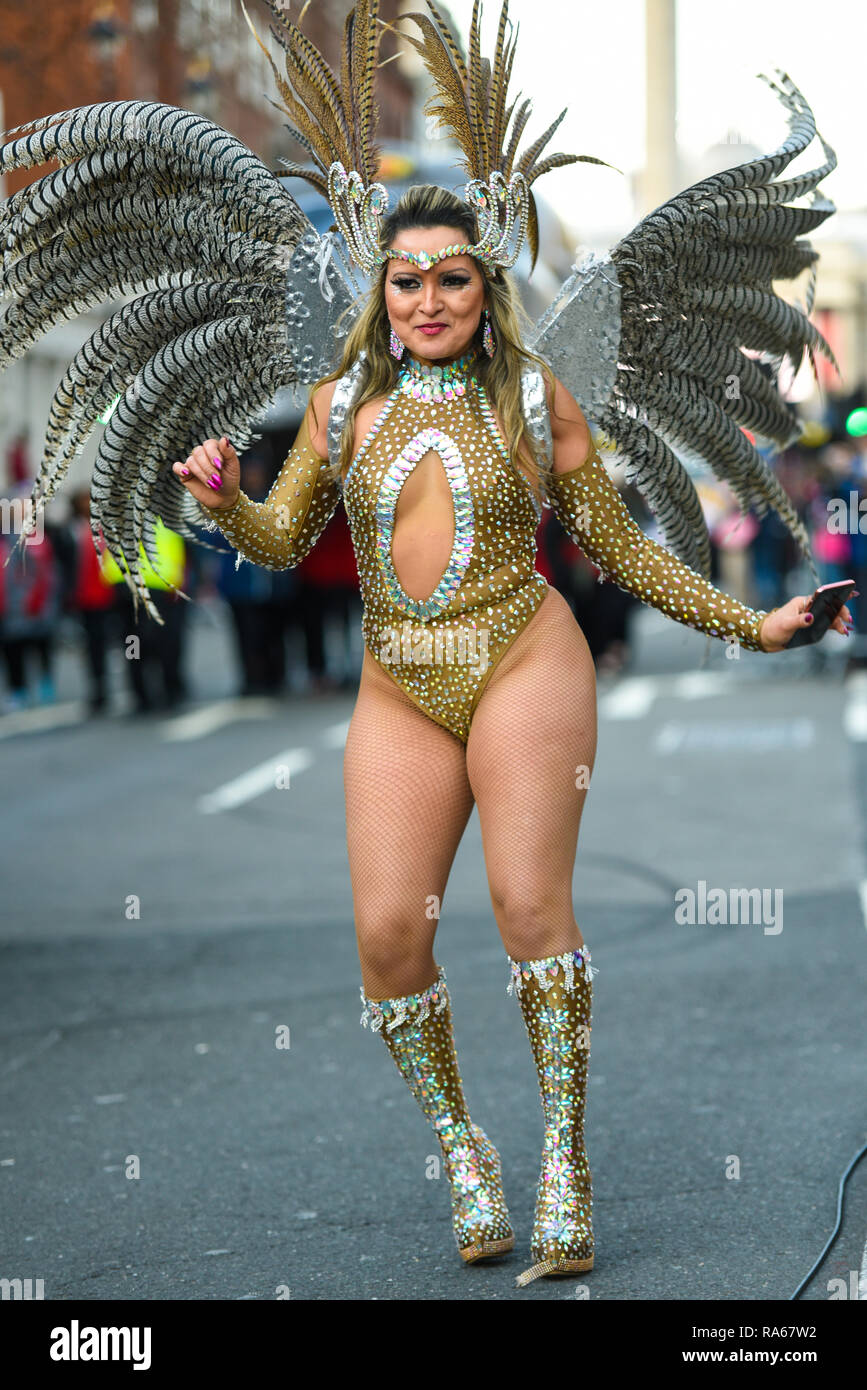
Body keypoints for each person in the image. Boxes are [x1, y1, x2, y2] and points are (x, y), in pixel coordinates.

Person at [173, 168, 852, 1283]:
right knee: (390, 938)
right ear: (380, 291)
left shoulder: (534, 401)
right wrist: (226, 505)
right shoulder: (345, 405)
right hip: (402, 684)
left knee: (527, 902)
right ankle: (463, 1143)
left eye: (451, 279)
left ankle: (564, 1160)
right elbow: (284, 538)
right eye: (406, 282)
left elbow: (619, 550)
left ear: (486, 289)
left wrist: (753, 624)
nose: (427, 300)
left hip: (521, 660)